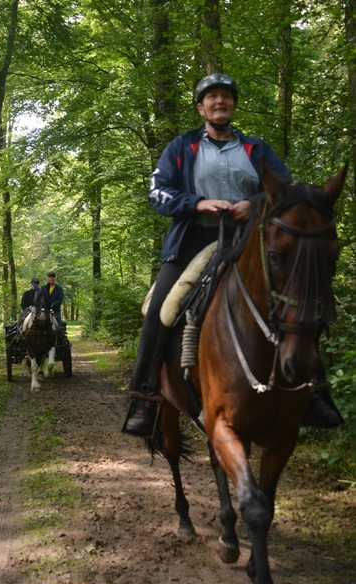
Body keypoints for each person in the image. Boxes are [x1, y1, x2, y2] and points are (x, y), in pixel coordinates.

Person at [122, 72, 343, 437]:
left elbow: (286, 192)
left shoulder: (256, 149)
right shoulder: (182, 147)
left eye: (226, 96)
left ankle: (315, 394)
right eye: (212, 97)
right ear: (200, 107)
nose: (219, 101)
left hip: (253, 241)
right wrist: (199, 203)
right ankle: (144, 397)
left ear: (233, 105)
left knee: (301, 296)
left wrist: (252, 204)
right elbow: (158, 193)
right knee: (161, 309)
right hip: (195, 240)